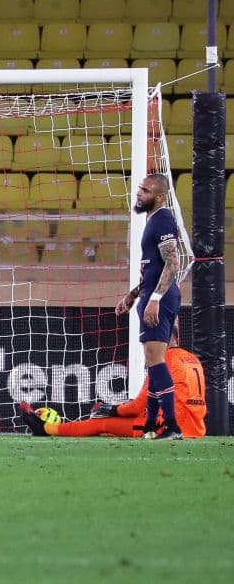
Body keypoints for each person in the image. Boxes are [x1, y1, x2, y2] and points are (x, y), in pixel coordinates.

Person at [20, 326, 206, 439]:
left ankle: (45, 428)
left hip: (166, 427)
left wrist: (111, 409)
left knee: (102, 423)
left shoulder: (163, 361)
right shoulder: (191, 358)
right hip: (195, 426)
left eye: (147, 341)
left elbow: (137, 407)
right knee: (111, 425)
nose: (145, 346)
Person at [114, 173, 188, 440]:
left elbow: (173, 263)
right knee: (152, 362)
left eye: (144, 190)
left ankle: (171, 426)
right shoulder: (153, 220)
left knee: (156, 362)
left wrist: (154, 299)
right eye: (139, 189)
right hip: (152, 294)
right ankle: (149, 425)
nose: (139, 194)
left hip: (161, 298)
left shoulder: (164, 219)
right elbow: (153, 266)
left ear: (159, 196)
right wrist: (133, 294)